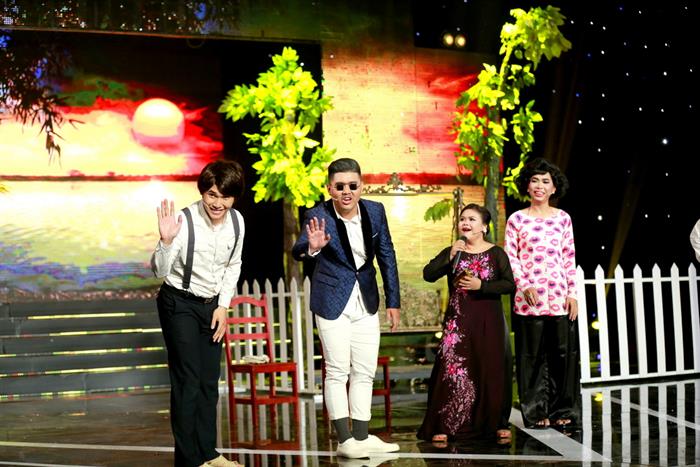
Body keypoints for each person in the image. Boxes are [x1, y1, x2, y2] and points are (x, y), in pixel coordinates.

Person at [292, 157, 401, 459]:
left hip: (365, 299)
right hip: (331, 300)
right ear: (330, 189)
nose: (346, 192)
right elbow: (298, 250)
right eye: (339, 187)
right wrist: (312, 247)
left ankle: (362, 437)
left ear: (361, 186)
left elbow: (387, 255)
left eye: (352, 185)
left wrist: (393, 301)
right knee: (338, 370)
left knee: (365, 370)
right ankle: (344, 439)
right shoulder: (317, 215)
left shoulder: (375, 211)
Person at [151, 160, 245, 467]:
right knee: (188, 380)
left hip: (212, 306)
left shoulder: (238, 222)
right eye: (211, 194)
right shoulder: (184, 221)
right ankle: (189, 460)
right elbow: (159, 271)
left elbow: (233, 265)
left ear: (234, 197)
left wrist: (223, 306)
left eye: (225, 197)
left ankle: (208, 453)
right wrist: (165, 242)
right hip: (179, 303)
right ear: (203, 192)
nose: (217, 203)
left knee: (208, 381)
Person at [417, 204, 515, 444]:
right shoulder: (454, 251)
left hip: (488, 321)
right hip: (458, 322)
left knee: (489, 368)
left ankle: (496, 423)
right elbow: (428, 274)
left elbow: (509, 285)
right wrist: (450, 255)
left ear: (484, 226)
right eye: (463, 219)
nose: (466, 223)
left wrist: (482, 286)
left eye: (472, 219)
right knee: (450, 369)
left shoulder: (496, 253)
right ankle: (444, 423)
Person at [504, 157, 580, 430]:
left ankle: (564, 410)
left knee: (563, 356)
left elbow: (569, 257)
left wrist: (573, 294)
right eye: (534, 180)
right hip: (529, 300)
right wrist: (524, 285)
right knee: (532, 358)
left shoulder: (563, 219)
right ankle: (535, 412)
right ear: (527, 186)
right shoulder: (517, 220)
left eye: (545, 181)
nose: (539, 185)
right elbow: (511, 257)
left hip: (559, 298)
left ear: (553, 188)